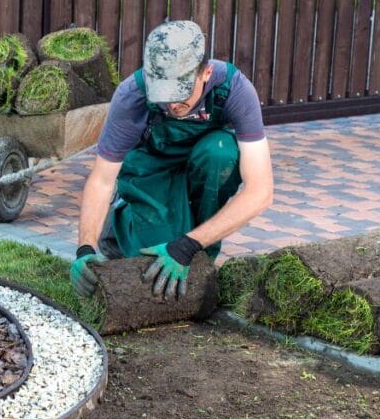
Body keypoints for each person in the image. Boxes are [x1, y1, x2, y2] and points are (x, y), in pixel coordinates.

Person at [70, 20, 274, 301]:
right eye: (163, 95)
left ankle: (197, 246)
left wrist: (188, 245)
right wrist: (85, 248)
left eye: (180, 93)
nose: (171, 105)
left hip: (202, 166)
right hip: (151, 169)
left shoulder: (235, 90)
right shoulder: (132, 95)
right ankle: (119, 229)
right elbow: (102, 179)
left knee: (221, 152)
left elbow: (260, 191)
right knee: (153, 266)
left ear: (206, 73)